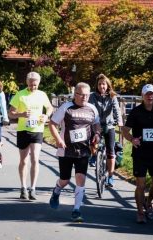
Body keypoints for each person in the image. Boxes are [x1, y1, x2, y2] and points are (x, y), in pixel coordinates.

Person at [48, 82, 101, 222]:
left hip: (83, 150)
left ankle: (76, 209)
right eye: (81, 94)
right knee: (65, 180)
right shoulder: (66, 107)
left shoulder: (92, 109)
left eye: (87, 95)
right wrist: (58, 139)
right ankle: (57, 190)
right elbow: (52, 123)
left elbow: (97, 124)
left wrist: (97, 134)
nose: (84, 97)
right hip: (66, 150)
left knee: (80, 179)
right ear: (75, 94)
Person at [121, 84, 153, 223]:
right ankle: (140, 212)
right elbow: (125, 130)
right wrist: (132, 139)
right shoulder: (136, 112)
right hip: (140, 154)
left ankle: (148, 201)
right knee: (140, 185)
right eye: (147, 94)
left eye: (152, 93)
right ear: (142, 96)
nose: (150, 96)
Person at [9, 71, 53, 200]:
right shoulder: (20, 94)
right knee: (23, 160)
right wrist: (21, 114)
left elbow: (49, 107)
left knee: (35, 158)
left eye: (35, 85)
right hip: (23, 130)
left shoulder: (42, 94)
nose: (33, 87)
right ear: (27, 83)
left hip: (37, 130)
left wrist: (46, 115)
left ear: (38, 84)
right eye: (31, 85)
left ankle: (33, 188)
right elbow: (11, 113)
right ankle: (23, 187)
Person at [88, 73, 123, 187]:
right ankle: (94, 156)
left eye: (103, 84)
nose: (101, 86)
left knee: (110, 152)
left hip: (109, 125)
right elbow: (90, 109)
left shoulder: (112, 96)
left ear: (107, 85)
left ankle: (111, 176)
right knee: (92, 141)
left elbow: (116, 110)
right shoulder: (92, 96)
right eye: (99, 84)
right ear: (96, 86)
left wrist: (119, 121)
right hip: (96, 124)